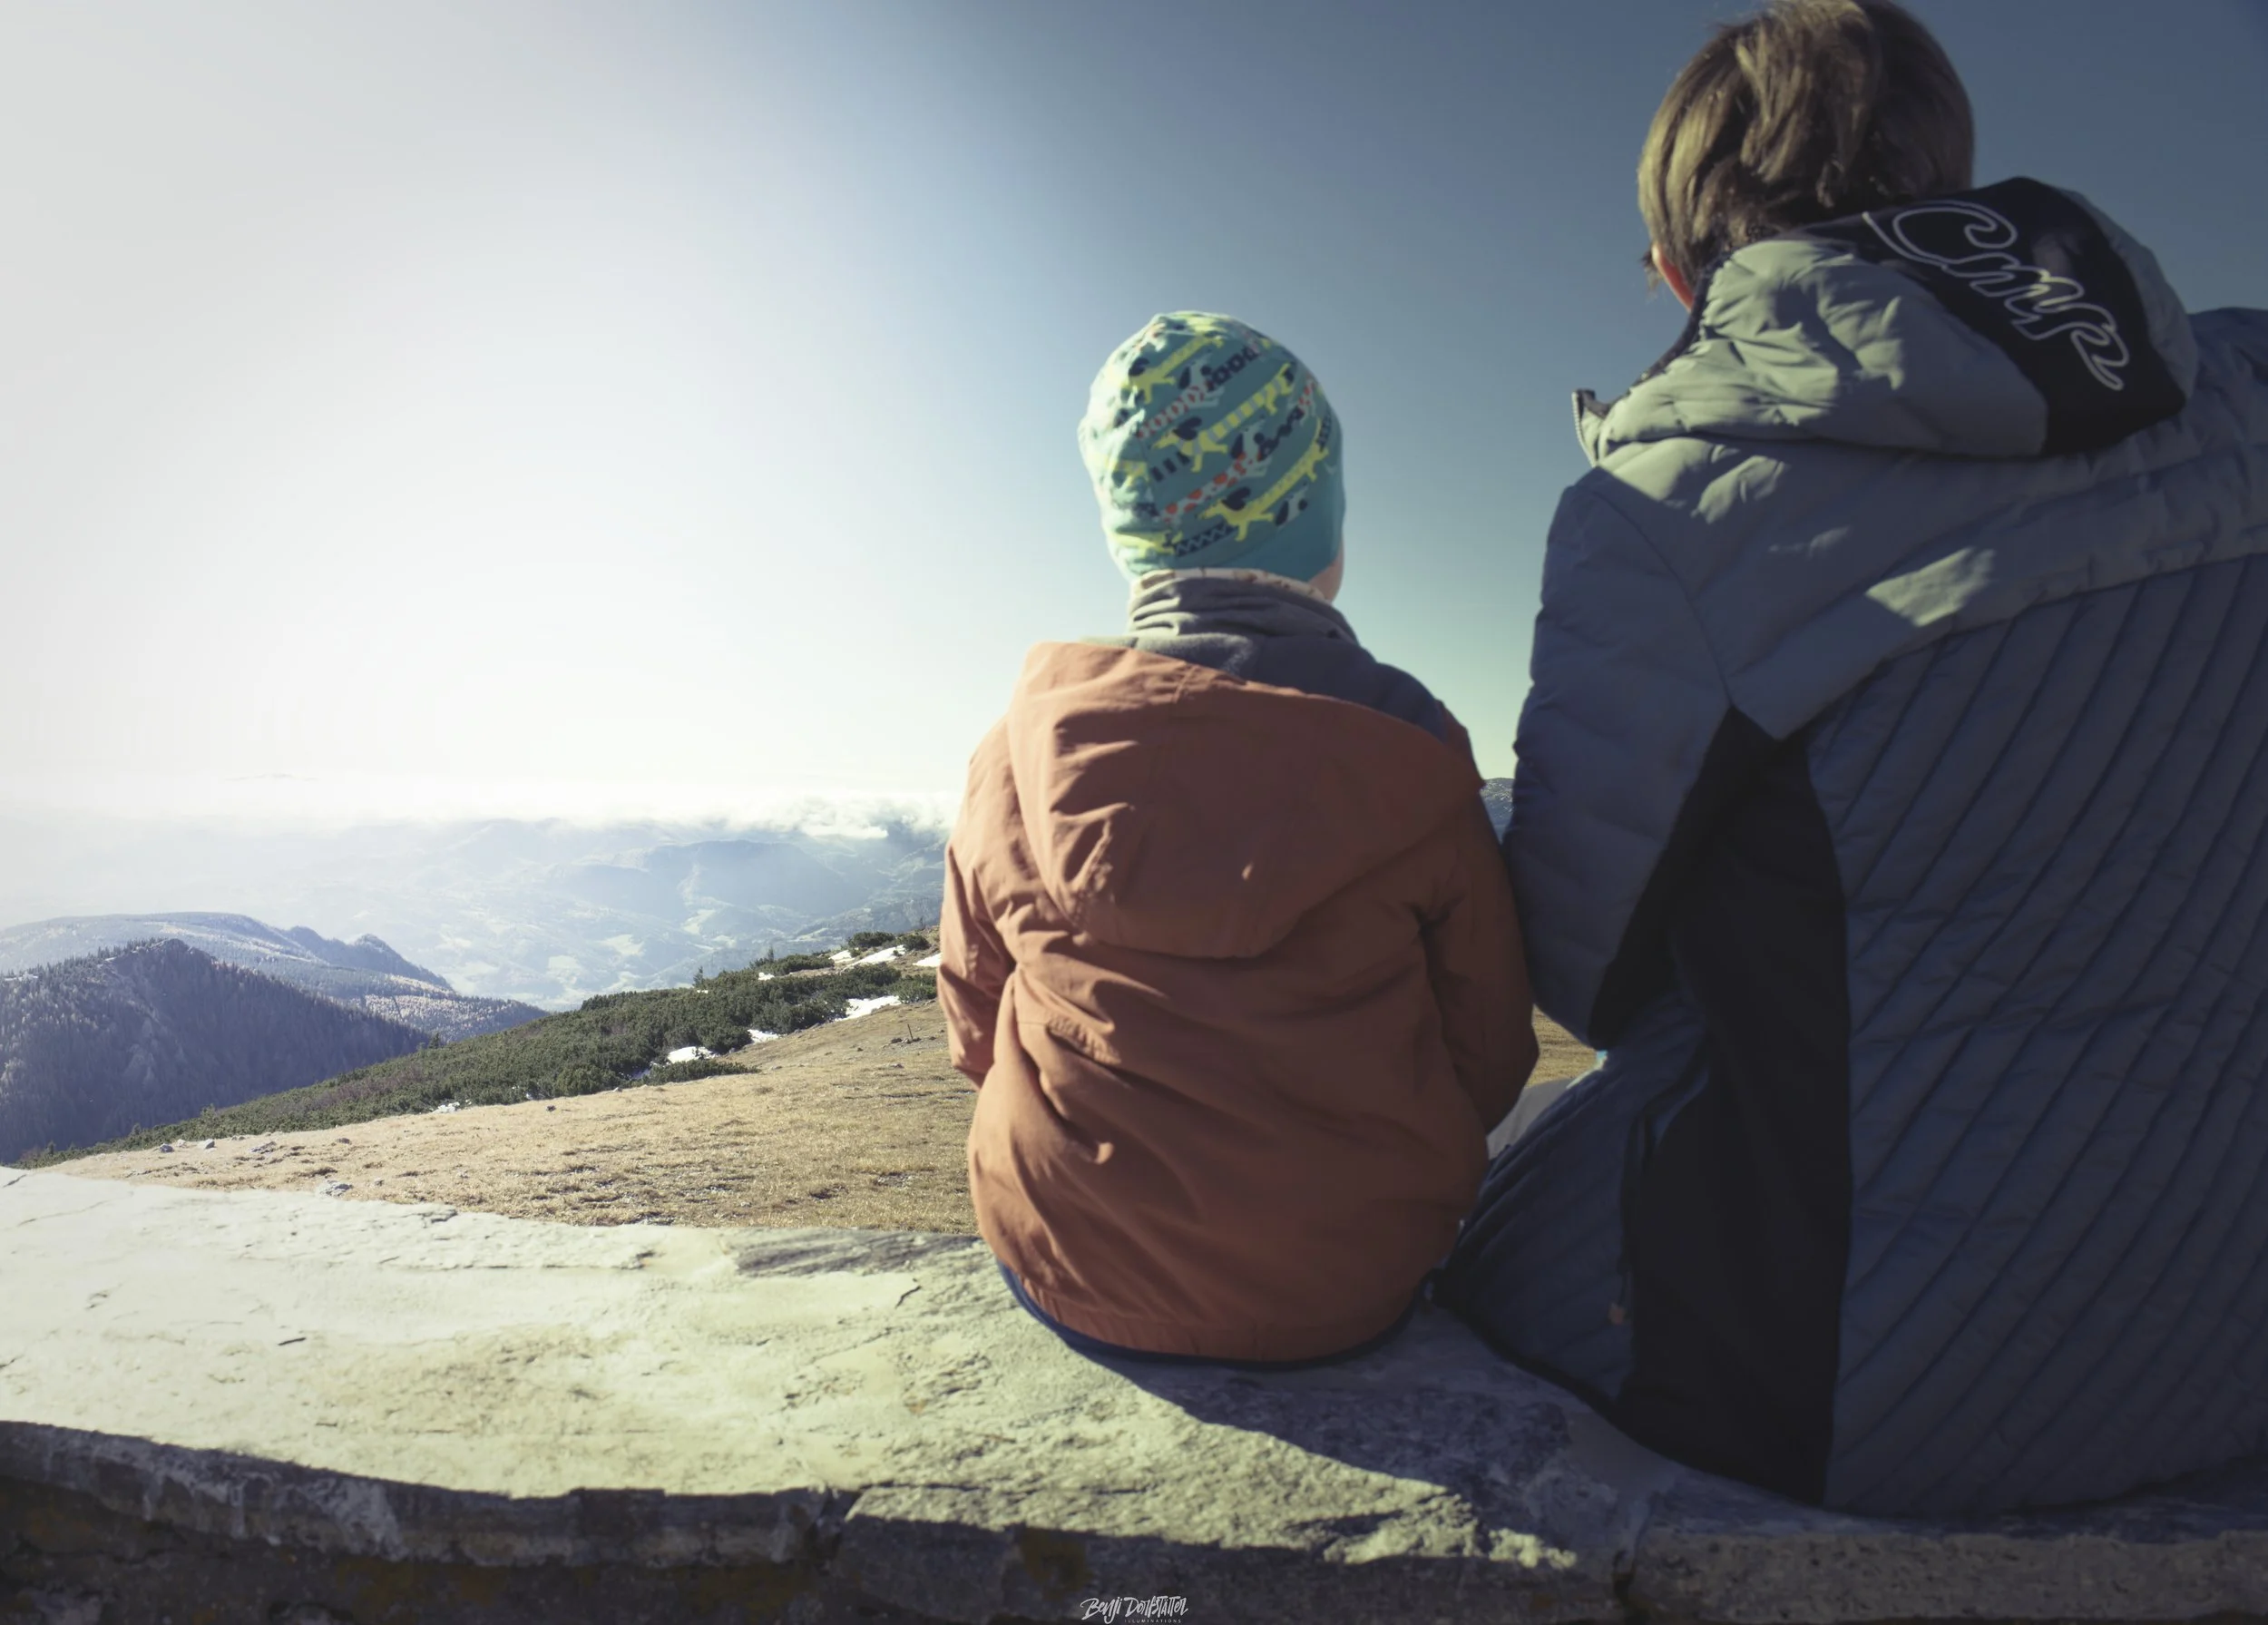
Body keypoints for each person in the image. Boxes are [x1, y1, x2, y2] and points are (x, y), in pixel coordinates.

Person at [1439, 0, 2268, 1516]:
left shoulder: (1662, 513)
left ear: (1687, 268)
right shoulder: (2247, 386)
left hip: (1882, 1389)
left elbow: (1577, 971)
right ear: (1953, 182)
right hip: (2238, 1310)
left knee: (1463, 1251)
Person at [938, 311, 1537, 1366]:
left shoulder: (1018, 750)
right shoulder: (1408, 748)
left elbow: (974, 1028)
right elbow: (1487, 1051)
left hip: (1066, 1263)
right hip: (1350, 1282)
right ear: (1323, 522)